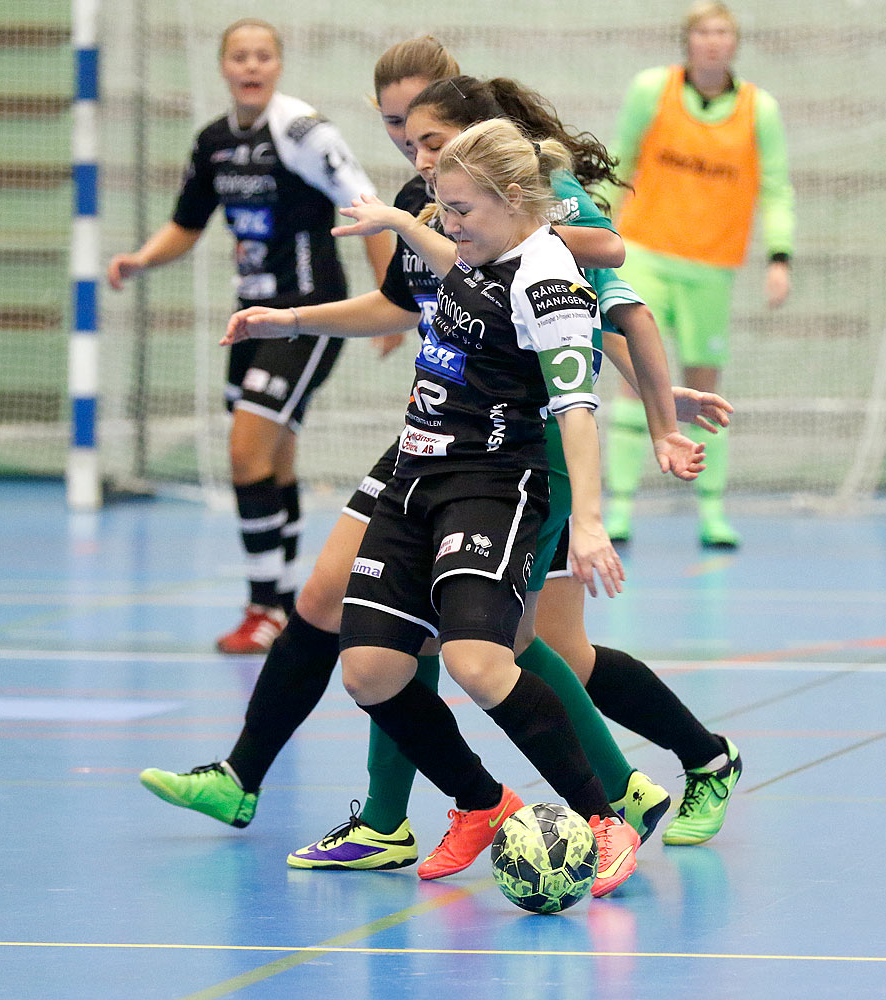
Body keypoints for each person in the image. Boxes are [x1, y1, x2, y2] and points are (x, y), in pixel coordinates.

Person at [139, 46, 744, 874]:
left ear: (482, 149)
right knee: (365, 629)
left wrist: (665, 416)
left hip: (513, 461)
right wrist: (305, 306)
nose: (414, 156)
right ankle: (322, 790)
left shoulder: (536, 232)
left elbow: (609, 297)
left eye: (428, 136)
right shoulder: (446, 215)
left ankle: (644, 782)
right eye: (397, 131)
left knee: (530, 651)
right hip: (430, 448)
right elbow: (416, 287)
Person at [261, 118, 647, 895]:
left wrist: (593, 524)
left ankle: (605, 819)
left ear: (512, 200)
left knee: (476, 661)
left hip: (491, 483)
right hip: (414, 475)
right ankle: (480, 802)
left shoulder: (551, 285)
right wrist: (406, 222)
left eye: (459, 208)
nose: (450, 223)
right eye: (441, 205)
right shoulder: (481, 247)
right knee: (369, 669)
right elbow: (459, 271)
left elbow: (576, 408)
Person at [105, 18, 395, 653]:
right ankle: (288, 607)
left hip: (310, 314)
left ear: (279, 65)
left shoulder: (301, 132)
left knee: (244, 455)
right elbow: (187, 223)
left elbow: (367, 206)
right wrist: (140, 259)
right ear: (223, 66)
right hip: (252, 319)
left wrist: (388, 301)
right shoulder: (212, 142)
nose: (252, 66)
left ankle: (264, 608)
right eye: (240, 55)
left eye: (264, 55)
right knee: (272, 460)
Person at [605, 0, 795, 550]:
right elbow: (617, 161)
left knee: (705, 386)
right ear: (687, 40)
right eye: (703, 32)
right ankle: (620, 505)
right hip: (644, 253)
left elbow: (777, 187)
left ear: (734, 42)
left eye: (722, 32)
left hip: (713, 266)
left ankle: (711, 510)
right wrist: (594, 232)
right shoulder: (652, 90)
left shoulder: (760, 109)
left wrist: (779, 257)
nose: (713, 41)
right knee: (633, 373)